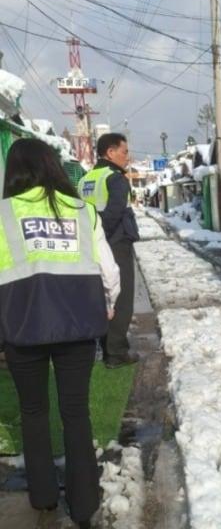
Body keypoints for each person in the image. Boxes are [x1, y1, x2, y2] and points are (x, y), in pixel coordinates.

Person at [0, 139, 120, 528]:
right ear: (53, 166)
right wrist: (109, 303)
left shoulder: (3, 215)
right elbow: (110, 272)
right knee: (76, 412)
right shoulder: (83, 212)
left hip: (21, 326)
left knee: (33, 412)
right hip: (78, 324)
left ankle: (44, 496)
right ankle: (84, 503)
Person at [78, 133, 140, 369]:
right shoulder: (116, 179)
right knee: (121, 299)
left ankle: (104, 346)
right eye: (124, 152)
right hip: (115, 245)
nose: (127, 156)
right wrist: (104, 239)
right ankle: (116, 353)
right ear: (111, 152)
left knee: (102, 297)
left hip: (90, 244)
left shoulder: (86, 179)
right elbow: (113, 214)